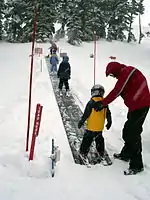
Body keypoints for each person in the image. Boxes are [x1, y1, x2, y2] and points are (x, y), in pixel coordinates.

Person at [94, 62, 150, 175]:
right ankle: (126, 154)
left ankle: (137, 165)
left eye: (112, 74)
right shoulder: (127, 73)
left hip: (141, 106)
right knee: (128, 131)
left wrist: (103, 103)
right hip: (136, 107)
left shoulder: (127, 72)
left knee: (132, 134)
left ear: (115, 70)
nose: (113, 77)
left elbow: (117, 91)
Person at [78, 84, 112, 164]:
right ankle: (101, 152)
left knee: (87, 140)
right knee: (99, 140)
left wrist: (81, 122)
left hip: (91, 127)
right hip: (100, 127)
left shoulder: (91, 102)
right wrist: (109, 122)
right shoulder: (104, 103)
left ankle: (83, 152)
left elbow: (86, 114)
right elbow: (108, 114)